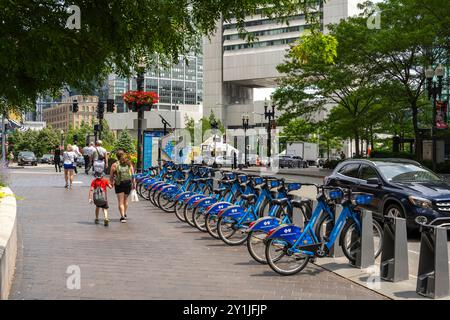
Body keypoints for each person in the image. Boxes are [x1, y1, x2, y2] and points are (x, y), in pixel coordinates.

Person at [110, 150, 135, 223]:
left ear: (117, 156)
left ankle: (122, 216)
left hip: (119, 183)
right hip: (128, 183)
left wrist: (111, 183)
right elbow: (133, 175)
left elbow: (111, 176)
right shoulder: (129, 163)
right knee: (125, 200)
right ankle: (124, 213)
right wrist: (134, 183)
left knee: (120, 201)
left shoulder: (114, 165)